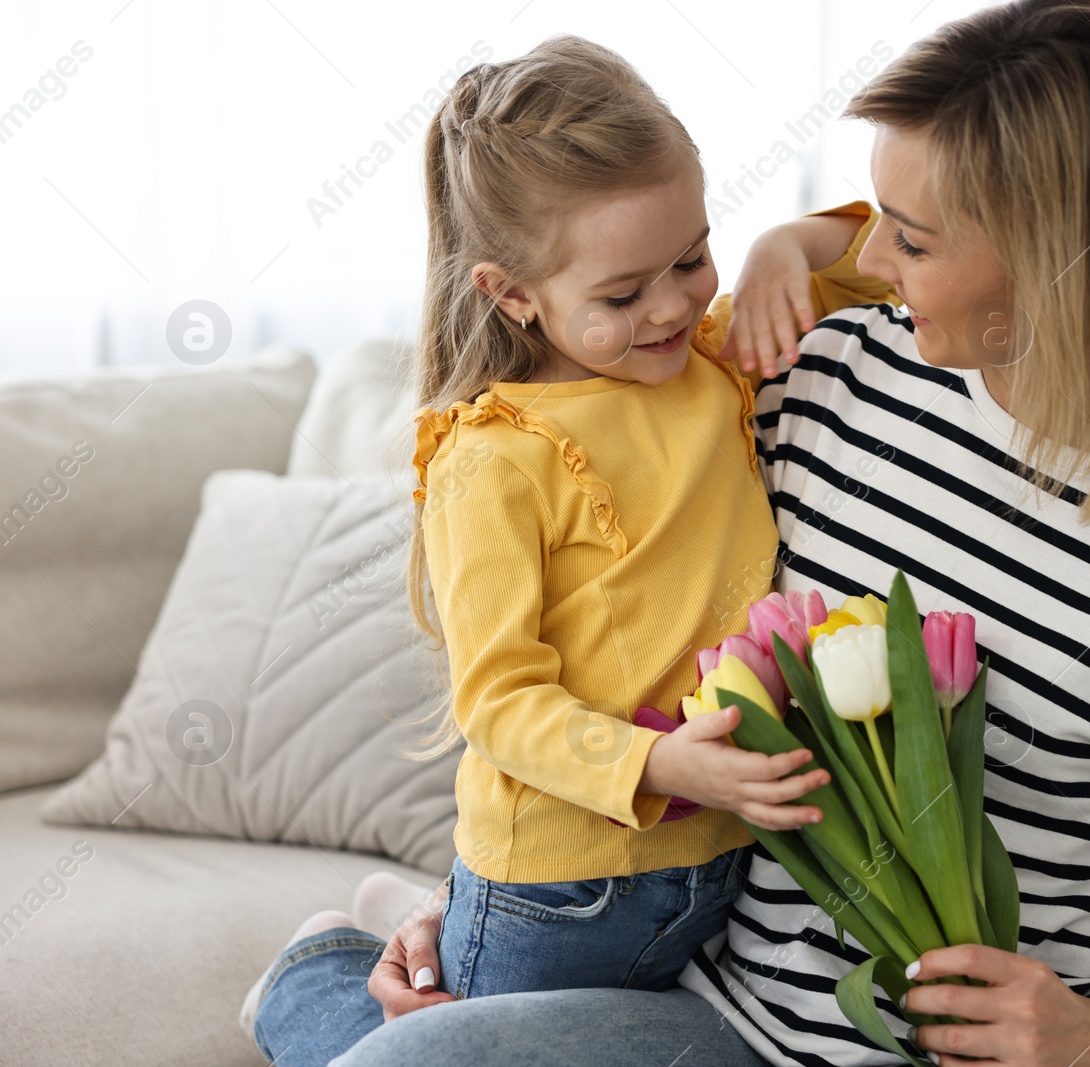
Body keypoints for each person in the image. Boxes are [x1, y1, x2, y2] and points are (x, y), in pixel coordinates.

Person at [264, 4, 1090, 1065]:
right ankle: (343, 975)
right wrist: (482, 917)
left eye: (908, 238)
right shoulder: (823, 381)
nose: (872, 265)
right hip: (717, 1019)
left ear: (1058, 259)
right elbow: (614, 607)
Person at [240, 33, 898, 1067]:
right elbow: (499, 701)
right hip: (558, 889)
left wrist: (784, 246)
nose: (674, 303)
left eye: (692, 256)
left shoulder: (714, 362)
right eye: (623, 293)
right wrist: (659, 761)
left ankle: (413, 917)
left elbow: (887, 261)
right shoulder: (495, 456)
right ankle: (312, 974)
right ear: (512, 294)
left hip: (715, 862)